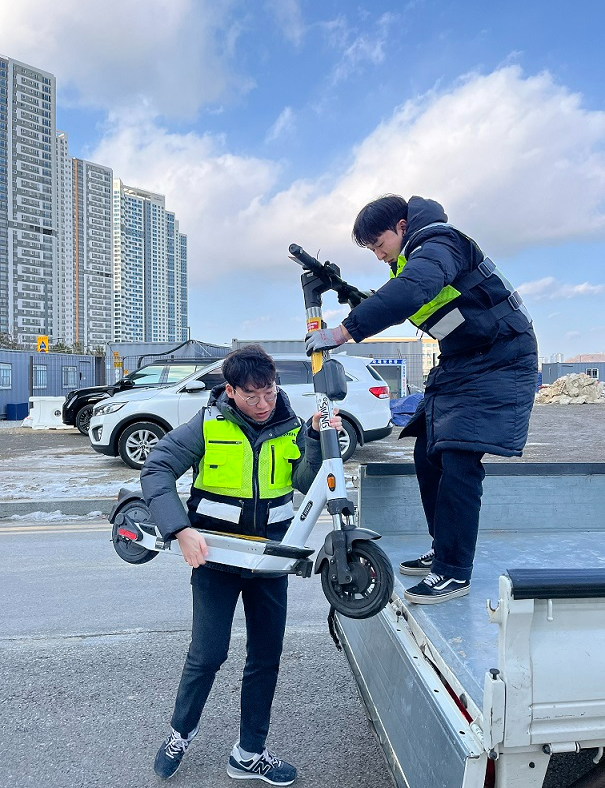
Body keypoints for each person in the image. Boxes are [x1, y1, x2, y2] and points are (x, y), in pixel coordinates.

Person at [306, 194, 537, 605]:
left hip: (502, 356)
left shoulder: (439, 242)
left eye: (379, 244)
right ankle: (443, 546)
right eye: (371, 250)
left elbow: (413, 291)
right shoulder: (411, 259)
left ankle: (453, 571)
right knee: (427, 450)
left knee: (460, 458)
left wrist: (343, 332)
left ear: (401, 225)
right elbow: (411, 296)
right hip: (463, 358)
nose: (378, 255)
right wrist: (349, 292)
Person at [140, 345, 341, 784]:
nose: (264, 404)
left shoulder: (292, 423)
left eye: (269, 392)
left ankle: (250, 752)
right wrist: (179, 529)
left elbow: (306, 484)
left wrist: (316, 442)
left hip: (270, 558)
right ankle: (180, 732)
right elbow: (156, 470)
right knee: (207, 654)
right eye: (252, 396)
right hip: (215, 557)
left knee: (266, 656)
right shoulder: (207, 424)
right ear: (229, 390)